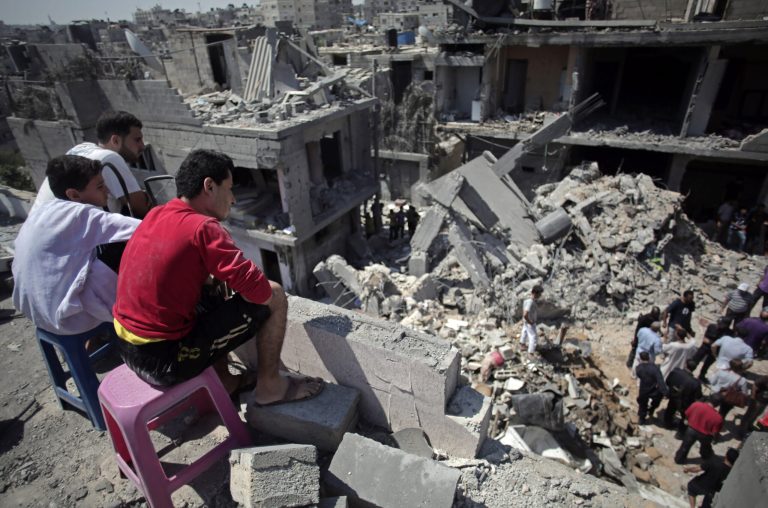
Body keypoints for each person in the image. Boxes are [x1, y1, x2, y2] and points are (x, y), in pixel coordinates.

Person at [112, 149, 324, 404]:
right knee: (276, 295)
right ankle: (270, 387)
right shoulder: (204, 228)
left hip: (127, 346)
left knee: (213, 290)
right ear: (209, 186)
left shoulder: (159, 213)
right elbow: (260, 292)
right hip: (165, 360)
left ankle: (225, 380)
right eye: (229, 188)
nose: (233, 199)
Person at [12, 155, 140, 334]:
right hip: (69, 321)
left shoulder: (43, 211)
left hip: (36, 313)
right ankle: (137, 320)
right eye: (100, 187)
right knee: (126, 248)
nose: (108, 191)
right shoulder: (80, 214)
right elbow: (143, 229)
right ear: (74, 195)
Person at [31, 111, 150, 218]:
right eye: (137, 140)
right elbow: (141, 209)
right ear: (115, 140)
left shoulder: (80, 149)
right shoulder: (109, 158)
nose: (142, 146)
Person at [674, 399, 723, 464]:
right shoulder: (718, 417)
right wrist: (715, 438)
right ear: (718, 405)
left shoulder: (696, 404)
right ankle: (706, 457)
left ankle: (679, 459)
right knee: (705, 447)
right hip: (705, 435)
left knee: (685, 446)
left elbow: (687, 413)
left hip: (691, 430)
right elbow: (715, 431)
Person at [663, 358, 703, 436]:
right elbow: (698, 396)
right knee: (685, 417)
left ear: (685, 365)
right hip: (685, 402)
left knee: (670, 409)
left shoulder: (675, 372)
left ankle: (667, 424)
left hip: (673, 396)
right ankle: (680, 433)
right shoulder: (695, 382)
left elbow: (668, 381)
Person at [692, 317, 732, 383]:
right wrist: (715, 344)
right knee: (695, 360)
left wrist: (712, 343)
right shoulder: (712, 327)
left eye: (720, 324)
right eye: (718, 323)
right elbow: (705, 339)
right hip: (705, 347)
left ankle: (701, 376)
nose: (718, 325)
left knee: (707, 365)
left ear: (726, 325)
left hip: (715, 352)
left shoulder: (729, 333)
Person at [635, 351, 668, 425]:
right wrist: (665, 392)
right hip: (653, 389)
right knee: (657, 398)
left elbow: (638, 375)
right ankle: (652, 409)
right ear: (649, 358)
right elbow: (660, 380)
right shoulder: (655, 368)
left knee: (642, 404)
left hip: (643, 388)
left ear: (640, 359)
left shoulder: (638, 368)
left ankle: (642, 419)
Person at [738, 375, 768, 439]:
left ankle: (749, 426)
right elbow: (755, 386)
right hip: (757, 401)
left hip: (764, 402)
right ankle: (741, 432)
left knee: (757, 414)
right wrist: (753, 398)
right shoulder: (765, 378)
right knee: (748, 416)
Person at [519, 285, 543, 356]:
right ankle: (531, 352)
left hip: (526, 321)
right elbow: (525, 313)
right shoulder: (530, 302)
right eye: (539, 294)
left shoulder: (527, 299)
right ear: (536, 293)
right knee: (533, 337)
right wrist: (530, 322)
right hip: (530, 321)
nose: (540, 295)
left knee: (525, 332)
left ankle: (522, 345)